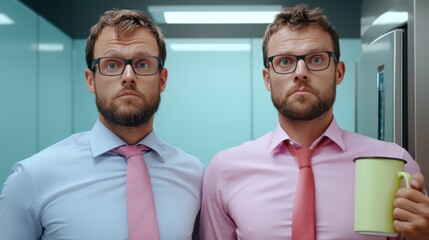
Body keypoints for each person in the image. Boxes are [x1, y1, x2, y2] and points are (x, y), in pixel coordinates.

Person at [199, 4, 429, 240]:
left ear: (338, 72)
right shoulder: (224, 171)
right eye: (285, 62)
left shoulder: (396, 164)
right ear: (268, 79)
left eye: (316, 59)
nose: (300, 72)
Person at [0, 9, 204, 240]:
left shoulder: (194, 176)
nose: (128, 76)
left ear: (162, 80)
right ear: (91, 80)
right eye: (112, 65)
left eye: (143, 64)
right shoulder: (32, 178)